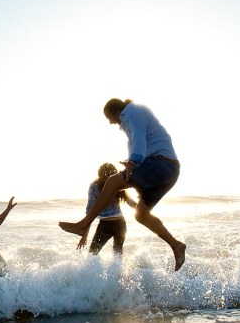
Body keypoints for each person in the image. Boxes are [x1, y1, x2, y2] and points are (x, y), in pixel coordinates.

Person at [59, 99, 186, 271]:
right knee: (141, 214)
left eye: (109, 118)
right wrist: (131, 165)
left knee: (112, 182)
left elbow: (140, 142)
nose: (111, 123)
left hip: (161, 164)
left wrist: (133, 162)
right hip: (169, 171)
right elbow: (137, 144)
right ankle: (176, 245)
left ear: (116, 112)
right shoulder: (135, 116)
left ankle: (83, 225)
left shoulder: (132, 113)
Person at [77, 163, 137, 255]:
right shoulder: (117, 183)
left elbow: (90, 212)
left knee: (92, 254)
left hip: (105, 225)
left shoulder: (94, 186)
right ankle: (119, 269)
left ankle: (92, 270)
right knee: (118, 255)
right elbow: (131, 203)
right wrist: (146, 211)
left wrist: (84, 237)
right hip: (121, 224)